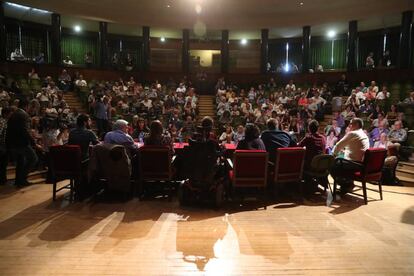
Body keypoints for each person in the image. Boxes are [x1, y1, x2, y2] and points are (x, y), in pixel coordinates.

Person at [331, 118, 370, 194]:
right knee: (340, 160)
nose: (349, 125)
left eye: (351, 124)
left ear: (357, 125)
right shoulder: (364, 134)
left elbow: (338, 145)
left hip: (354, 164)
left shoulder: (353, 133)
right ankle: (348, 183)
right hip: (362, 164)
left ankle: (346, 185)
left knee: (331, 164)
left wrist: (332, 156)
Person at [5, 100, 38, 187]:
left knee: (21, 162)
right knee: (33, 159)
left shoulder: (14, 114)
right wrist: (33, 141)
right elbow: (25, 131)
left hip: (13, 143)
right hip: (21, 143)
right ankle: (22, 178)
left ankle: (18, 181)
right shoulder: (24, 115)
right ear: (26, 106)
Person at [0, 107, 12, 185]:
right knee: (2, 163)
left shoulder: (5, 121)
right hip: (2, 145)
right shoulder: (2, 121)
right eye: (10, 113)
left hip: (4, 145)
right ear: (6, 113)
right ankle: (2, 181)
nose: (11, 115)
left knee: (3, 164)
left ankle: (3, 180)